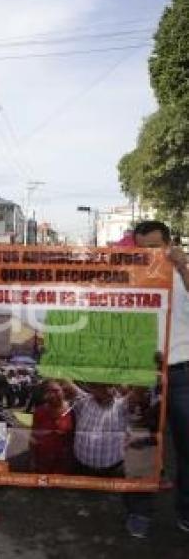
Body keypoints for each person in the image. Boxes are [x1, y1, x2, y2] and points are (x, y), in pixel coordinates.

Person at [133, 220, 189, 536]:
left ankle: (186, 510)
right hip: (143, 376)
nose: (149, 255)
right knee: (140, 447)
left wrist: (182, 269)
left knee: (187, 449)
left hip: (182, 374)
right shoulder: (129, 278)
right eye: (142, 250)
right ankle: (139, 511)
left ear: (168, 244)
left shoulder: (183, 275)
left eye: (155, 248)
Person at [64, 379, 151, 536]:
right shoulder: (83, 401)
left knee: (140, 469)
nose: (109, 390)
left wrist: (149, 370)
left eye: (111, 385)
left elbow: (139, 390)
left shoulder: (121, 405)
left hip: (114, 467)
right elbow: (62, 379)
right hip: (83, 468)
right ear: (92, 388)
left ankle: (137, 515)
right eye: (103, 387)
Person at [29, 380, 73, 474]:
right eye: (48, 391)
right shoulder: (39, 411)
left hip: (64, 462)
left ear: (64, 391)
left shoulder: (73, 411)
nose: (52, 395)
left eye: (55, 391)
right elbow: (34, 437)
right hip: (43, 460)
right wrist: (32, 459)